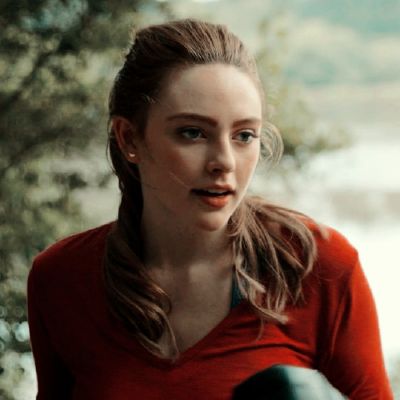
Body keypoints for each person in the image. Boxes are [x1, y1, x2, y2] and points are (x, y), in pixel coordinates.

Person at [27, 19, 393, 399]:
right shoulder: (60, 277)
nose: (225, 162)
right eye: (193, 133)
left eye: (244, 135)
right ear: (130, 138)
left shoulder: (319, 267)